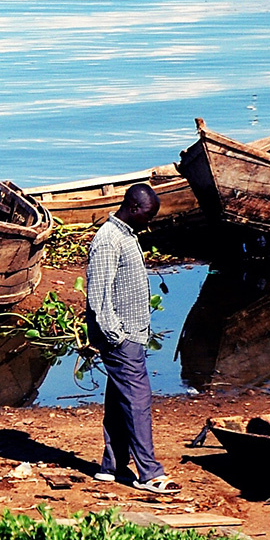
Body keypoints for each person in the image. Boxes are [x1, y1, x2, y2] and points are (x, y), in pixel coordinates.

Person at [85, 184, 179, 494]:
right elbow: (98, 297)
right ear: (134, 208)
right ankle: (149, 473)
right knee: (138, 400)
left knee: (118, 399)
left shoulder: (126, 235)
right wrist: (118, 336)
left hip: (130, 334)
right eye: (148, 215)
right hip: (120, 337)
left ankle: (111, 466)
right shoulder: (108, 240)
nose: (149, 222)